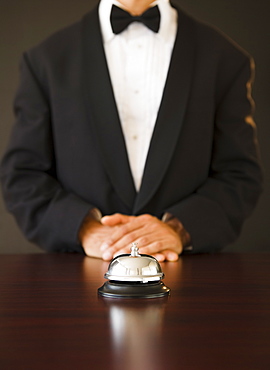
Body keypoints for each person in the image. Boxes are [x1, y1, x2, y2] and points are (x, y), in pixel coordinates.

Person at [0, 0, 263, 262]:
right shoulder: (45, 59)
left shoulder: (225, 58)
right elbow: (23, 175)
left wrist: (179, 229)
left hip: (186, 274)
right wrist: (85, 230)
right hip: (80, 274)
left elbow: (239, 174)